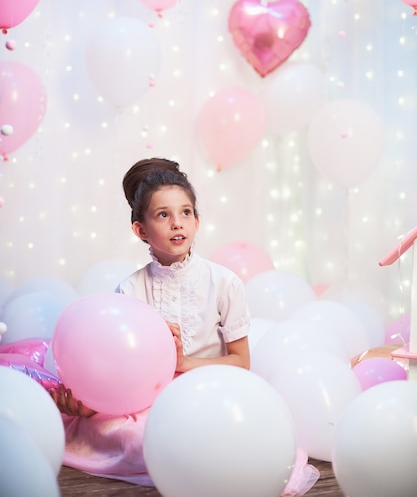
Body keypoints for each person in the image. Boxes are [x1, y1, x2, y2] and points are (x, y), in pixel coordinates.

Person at [50, 157, 319, 494]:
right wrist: (91, 404)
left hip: (210, 389)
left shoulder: (224, 283)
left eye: (186, 212)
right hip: (149, 402)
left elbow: (241, 361)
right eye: (163, 215)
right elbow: (121, 374)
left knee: (222, 436)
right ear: (140, 230)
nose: (177, 223)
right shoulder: (130, 290)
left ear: (197, 220)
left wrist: (183, 363)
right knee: (129, 435)